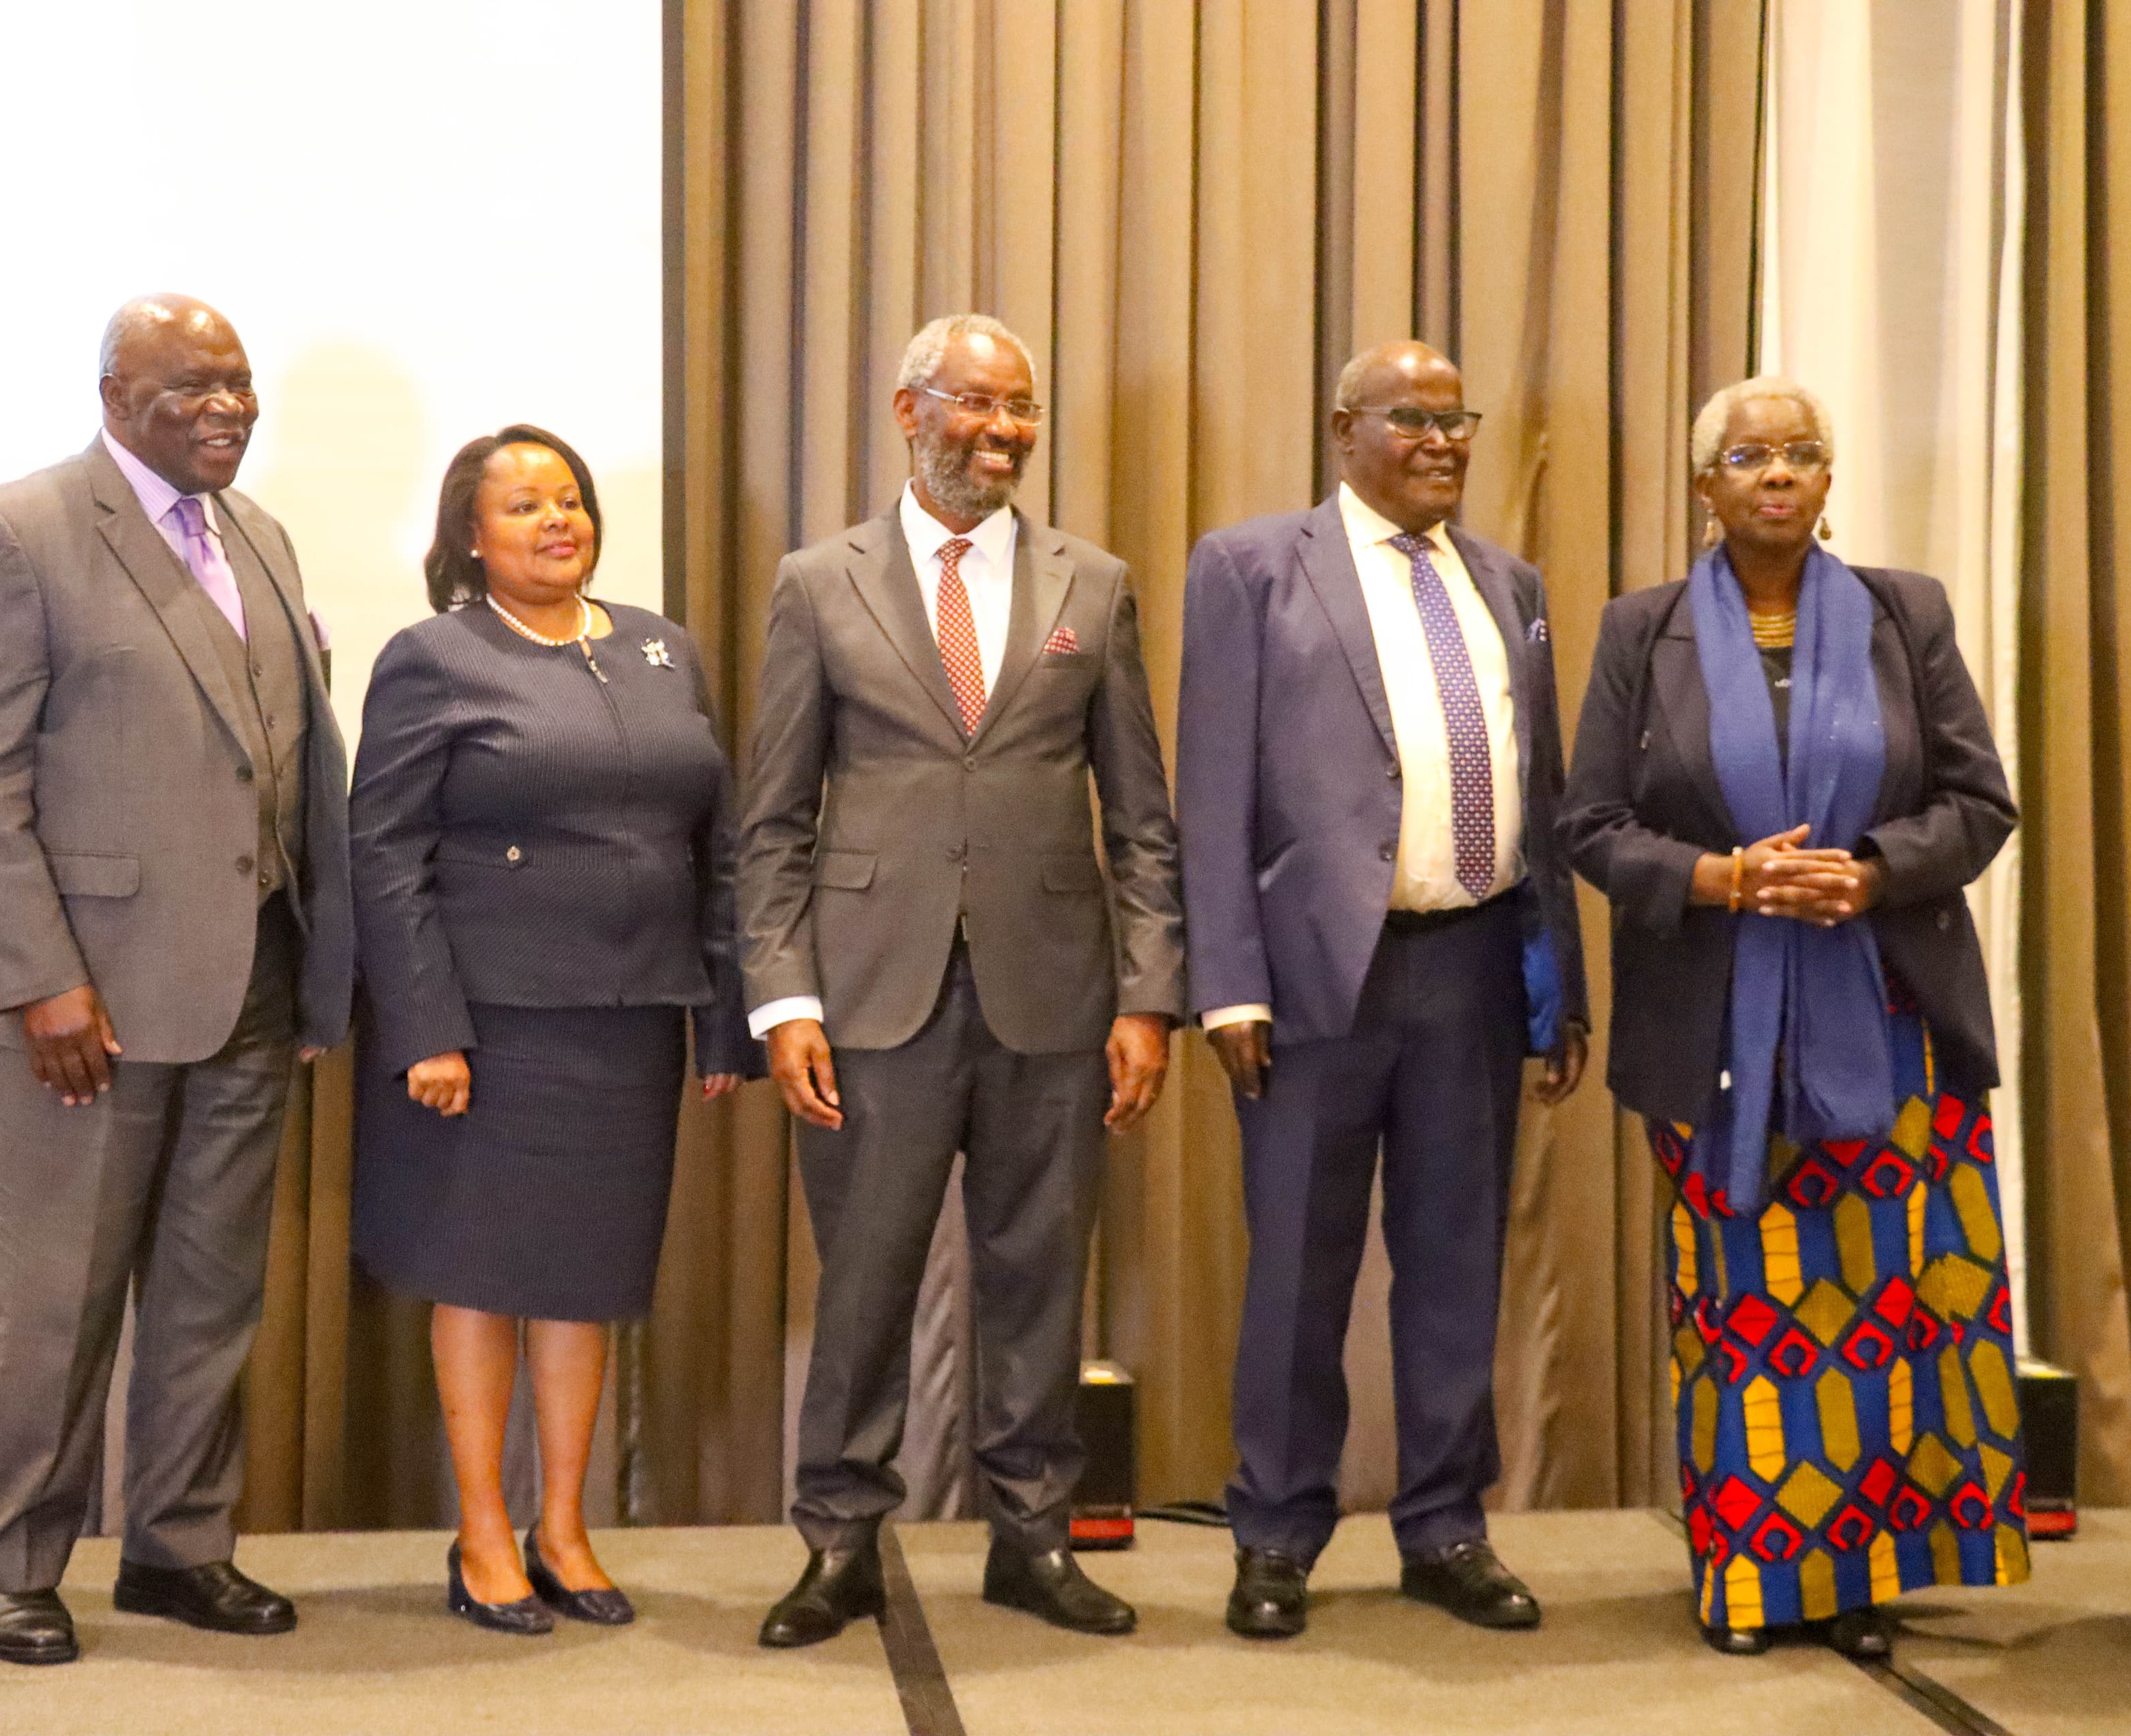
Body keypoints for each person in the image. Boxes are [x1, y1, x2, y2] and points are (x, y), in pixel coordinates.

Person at [0, 294, 354, 1665]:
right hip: (86, 1002)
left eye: (237, 384)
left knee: (211, 1291)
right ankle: (17, 1565)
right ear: (115, 392)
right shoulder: (20, 531)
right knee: (58, 1297)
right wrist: (39, 976)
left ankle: (178, 1545)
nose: (224, 407)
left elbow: (284, 759)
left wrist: (320, 959)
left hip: (252, 982)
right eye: (190, 388)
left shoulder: (261, 537)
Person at [1561, 376, 2027, 1658]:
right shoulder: (1639, 631)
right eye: (1750, 456)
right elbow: (1588, 825)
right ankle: (1752, 1579)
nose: (1778, 473)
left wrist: (1872, 869)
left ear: (1829, 484)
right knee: (1745, 1310)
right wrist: (1720, 879)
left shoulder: (1903, 613)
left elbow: (1981, 804)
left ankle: (1861, 1577)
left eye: (1803, 454)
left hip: (1890, 1025)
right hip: (1719, 1033)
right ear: (1704, 488)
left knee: (1887, 1307)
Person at [738, 313, 1183, 1646]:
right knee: (864, 1283)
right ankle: (840, 1542)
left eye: (1021, 410)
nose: (1002, 433)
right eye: (976, 407)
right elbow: (771, 818)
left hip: (1057, 996)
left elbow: (1143, 814)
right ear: (908, 409)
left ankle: (1033, 1537)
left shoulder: (1091, 583)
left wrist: (1149, 993)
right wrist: (784, 996)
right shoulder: (820, 583)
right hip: (871, 997)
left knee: (1040, 1278)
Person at [1177, 340, 1588, 1642]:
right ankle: (1280, 1531)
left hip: (1470, 967)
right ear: (1344, 427)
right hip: (1310, 984)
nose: (1442, 441)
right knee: (1298, 1266)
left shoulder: (1510, 582)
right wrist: (1226, 983)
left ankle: (1447, 1526)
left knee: (1459, 1263)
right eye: (1411, 418)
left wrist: (1556, 984)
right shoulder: (1252, 566)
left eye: (1457, 419)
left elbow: (1549, 796)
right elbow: (1212, 793)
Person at [348, 425, 757, 1634]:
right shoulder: (436, 656)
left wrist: (724, 1019)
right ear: (470, 537)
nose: (555, 520)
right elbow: (383, 853)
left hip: (631, 1021)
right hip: (490, 1026)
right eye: (523, 505)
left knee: (586, 1283)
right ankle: (483, 1536)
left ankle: (564, 1529)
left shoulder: (658, 647)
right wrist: (426, 1027)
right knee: (480, 1277)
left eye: (568, 499)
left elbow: (718, 845)